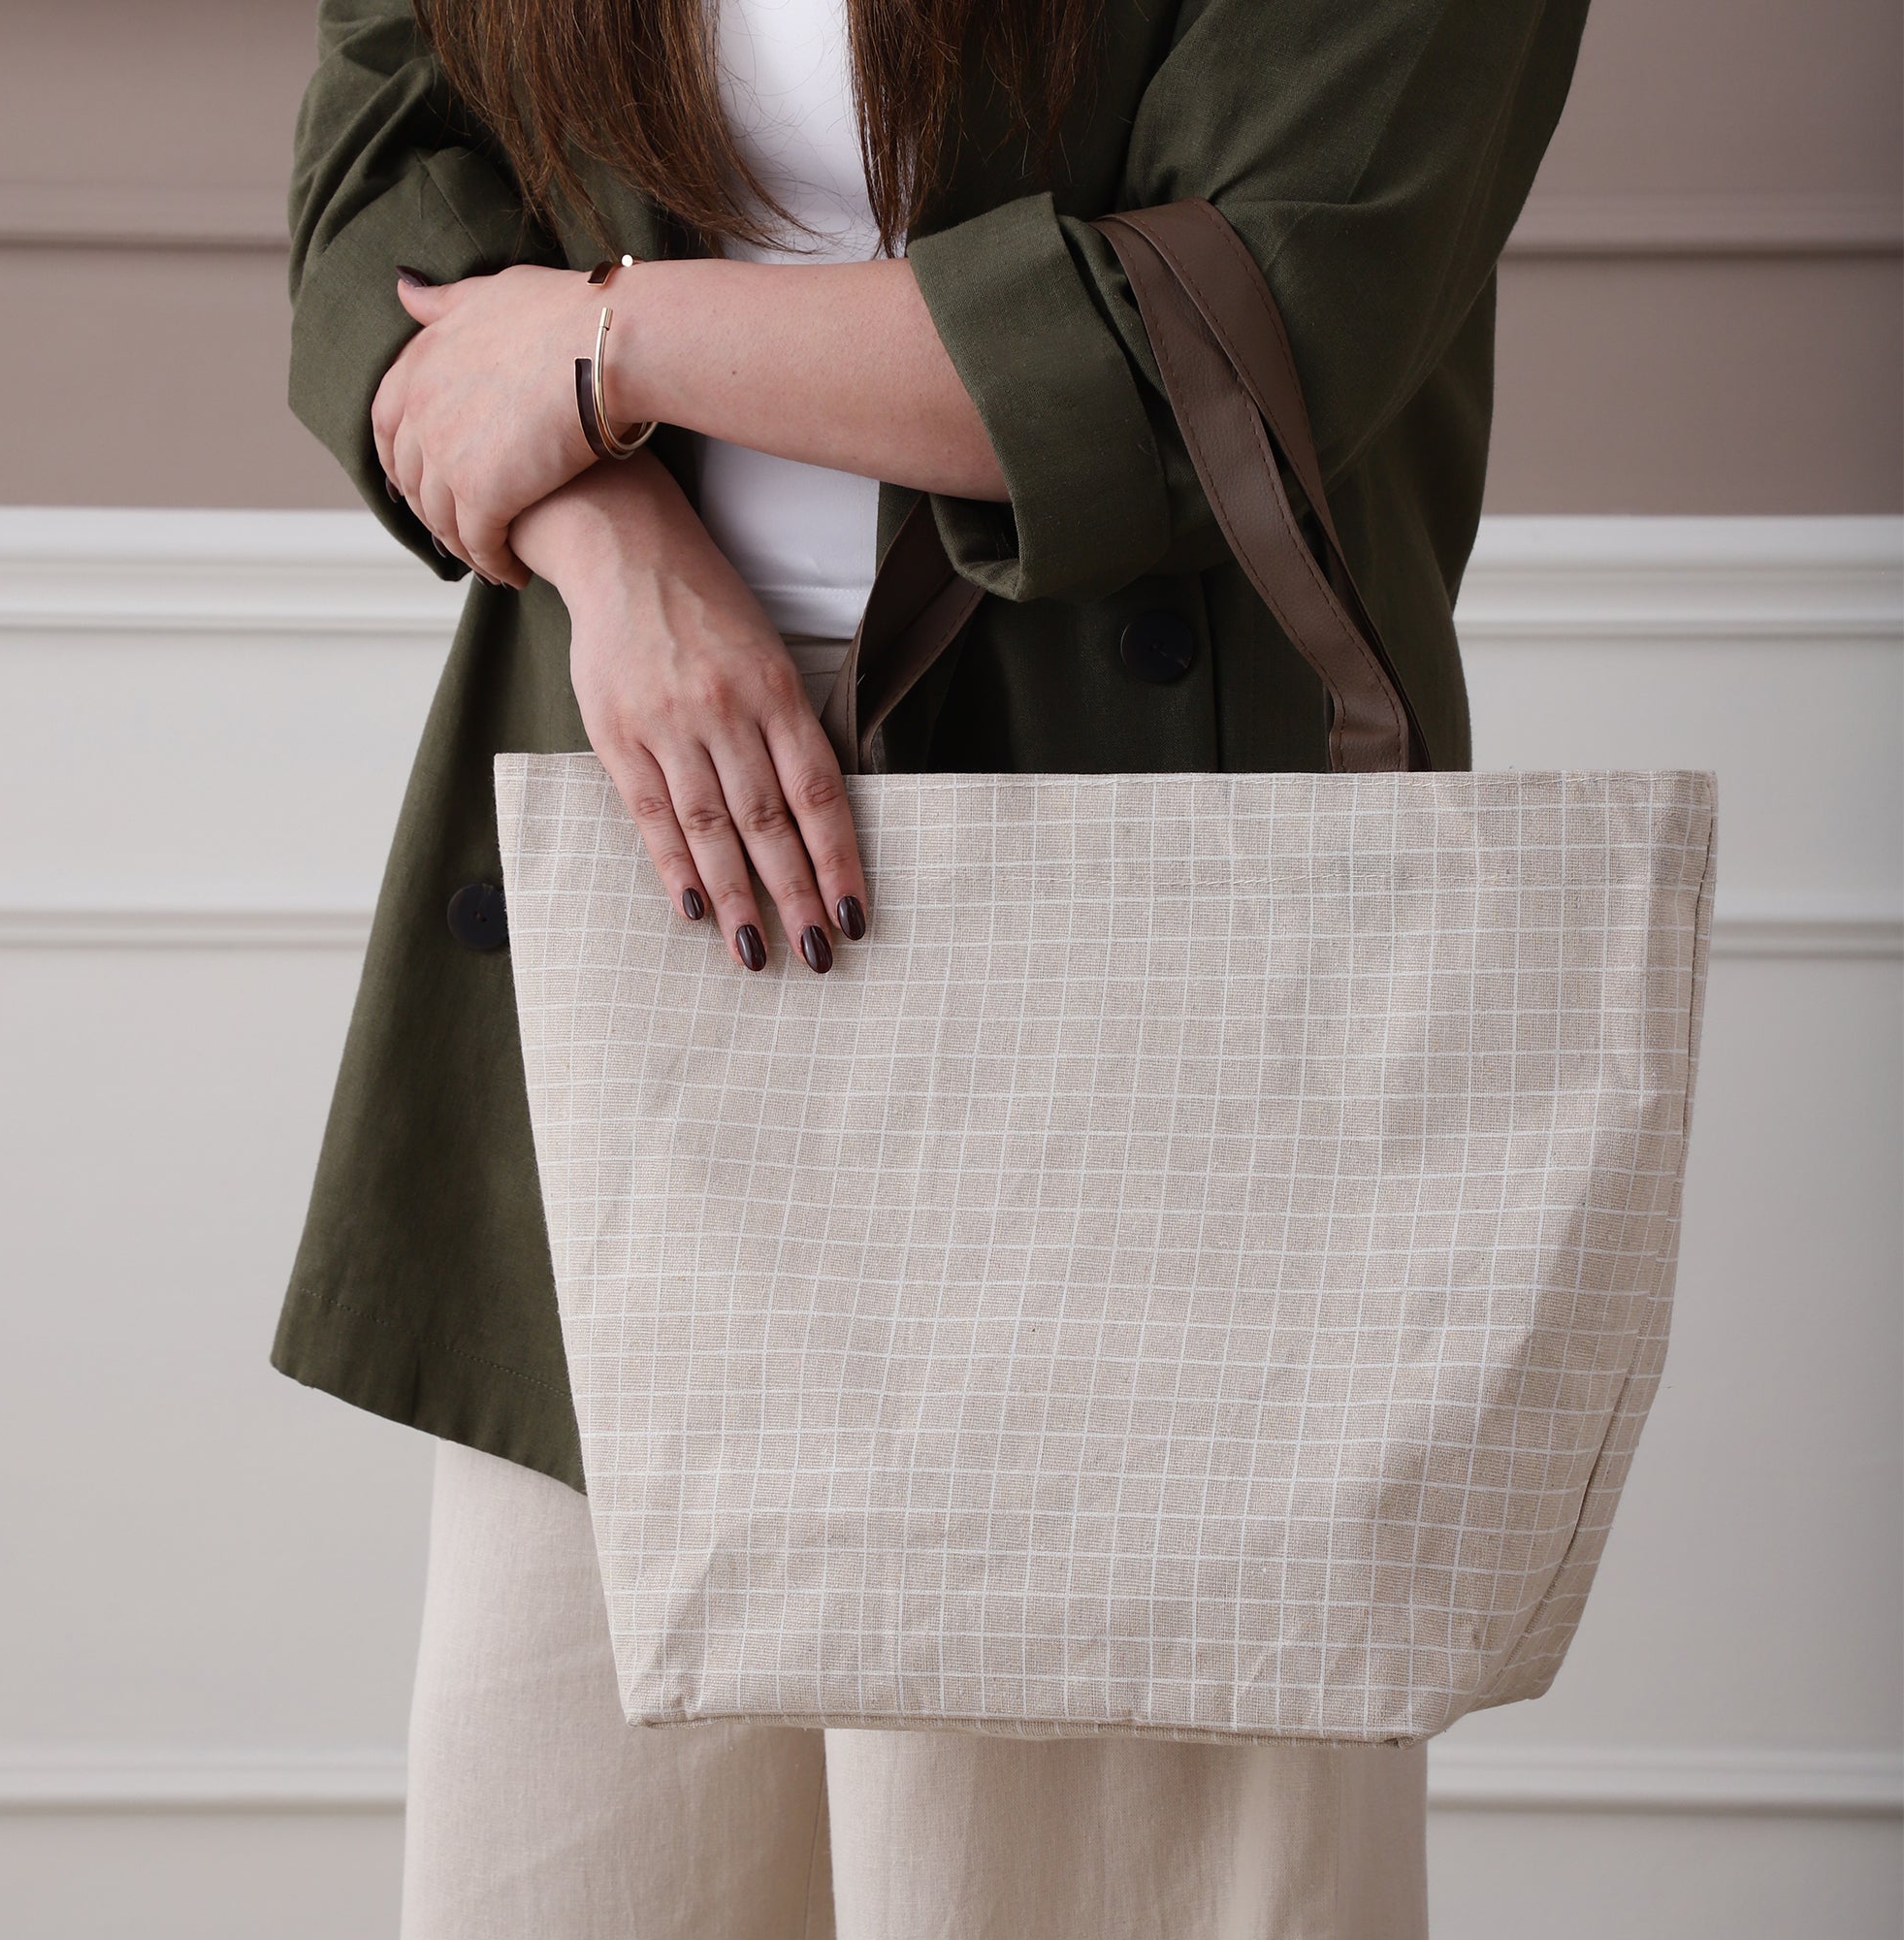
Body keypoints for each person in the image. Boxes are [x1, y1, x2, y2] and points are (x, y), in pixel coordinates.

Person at [274, 0, 1592, 1930]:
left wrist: (607, 347)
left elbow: (1236, 327)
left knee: (1081, 1871)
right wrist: (612, 542)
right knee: (583, 1861)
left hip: (1129, 913)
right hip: (645, 837)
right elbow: (384, 168)